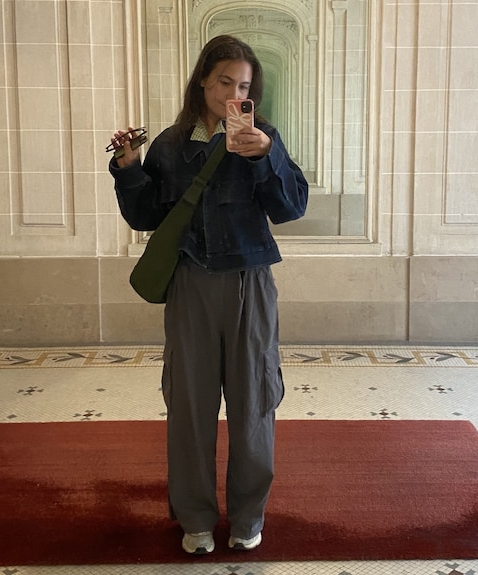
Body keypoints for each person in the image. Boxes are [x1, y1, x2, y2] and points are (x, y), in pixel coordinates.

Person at [108, 35, 308, 555]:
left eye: (243, 86)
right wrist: (128, 169)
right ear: (202, 79)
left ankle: (247, 517)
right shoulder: (172, 145)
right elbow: (147, 215)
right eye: (224, 82)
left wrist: (266, 157)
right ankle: (195, 517)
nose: (232, 94)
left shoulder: (263, 136)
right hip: (191, 283)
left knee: (255, 400)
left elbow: (290, 207)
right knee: (190, 404)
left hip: (250, 282)